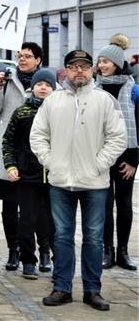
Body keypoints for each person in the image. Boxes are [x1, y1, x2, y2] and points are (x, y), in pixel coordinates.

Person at [30, 49, 127, 311]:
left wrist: (99, 163)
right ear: (66, 71)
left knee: (94, 238)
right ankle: (62, 288)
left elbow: (118, 137)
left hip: (94, 182)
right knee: (61, 236)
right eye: (74, 66)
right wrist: (51, 162)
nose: (80, 71)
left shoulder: (104, 100)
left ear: (92, 69)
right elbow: (38, 135)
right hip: (61, 182)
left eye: (84, 66)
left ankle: (92, 290)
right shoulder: (53, 101)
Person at [0, 42, 43, 272]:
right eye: (20, 56)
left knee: (36, 207)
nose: (22, 59)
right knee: (9, 206)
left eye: (28, 56)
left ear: (38, 60)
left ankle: (43, 250)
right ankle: (13, 250)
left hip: (35, 154)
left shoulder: (47, 83)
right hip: (8, 151)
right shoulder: (8, 81)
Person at [2, 68, 56, 279]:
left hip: (54, 176)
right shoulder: (22, 112)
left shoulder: (60, 111)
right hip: (27, 176)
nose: (43, 88)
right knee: (26, 219)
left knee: (52, 221)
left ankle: (49, 255)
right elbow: (8, 142)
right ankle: (28, 260)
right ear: (32, 87)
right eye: (40, 84)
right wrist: (11, 166)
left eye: (48, 85)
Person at [94, 35, 138, 270]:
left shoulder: (133, 90)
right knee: (104, 203)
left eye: (106, 61)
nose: (101, 65)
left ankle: (123, 252)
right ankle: (107, 251)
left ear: (117, 63)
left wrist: (134, 160)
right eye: (100, 61)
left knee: (124, 203)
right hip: (101, 153)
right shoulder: (94, 87)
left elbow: (138, 124)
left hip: (126, 156)